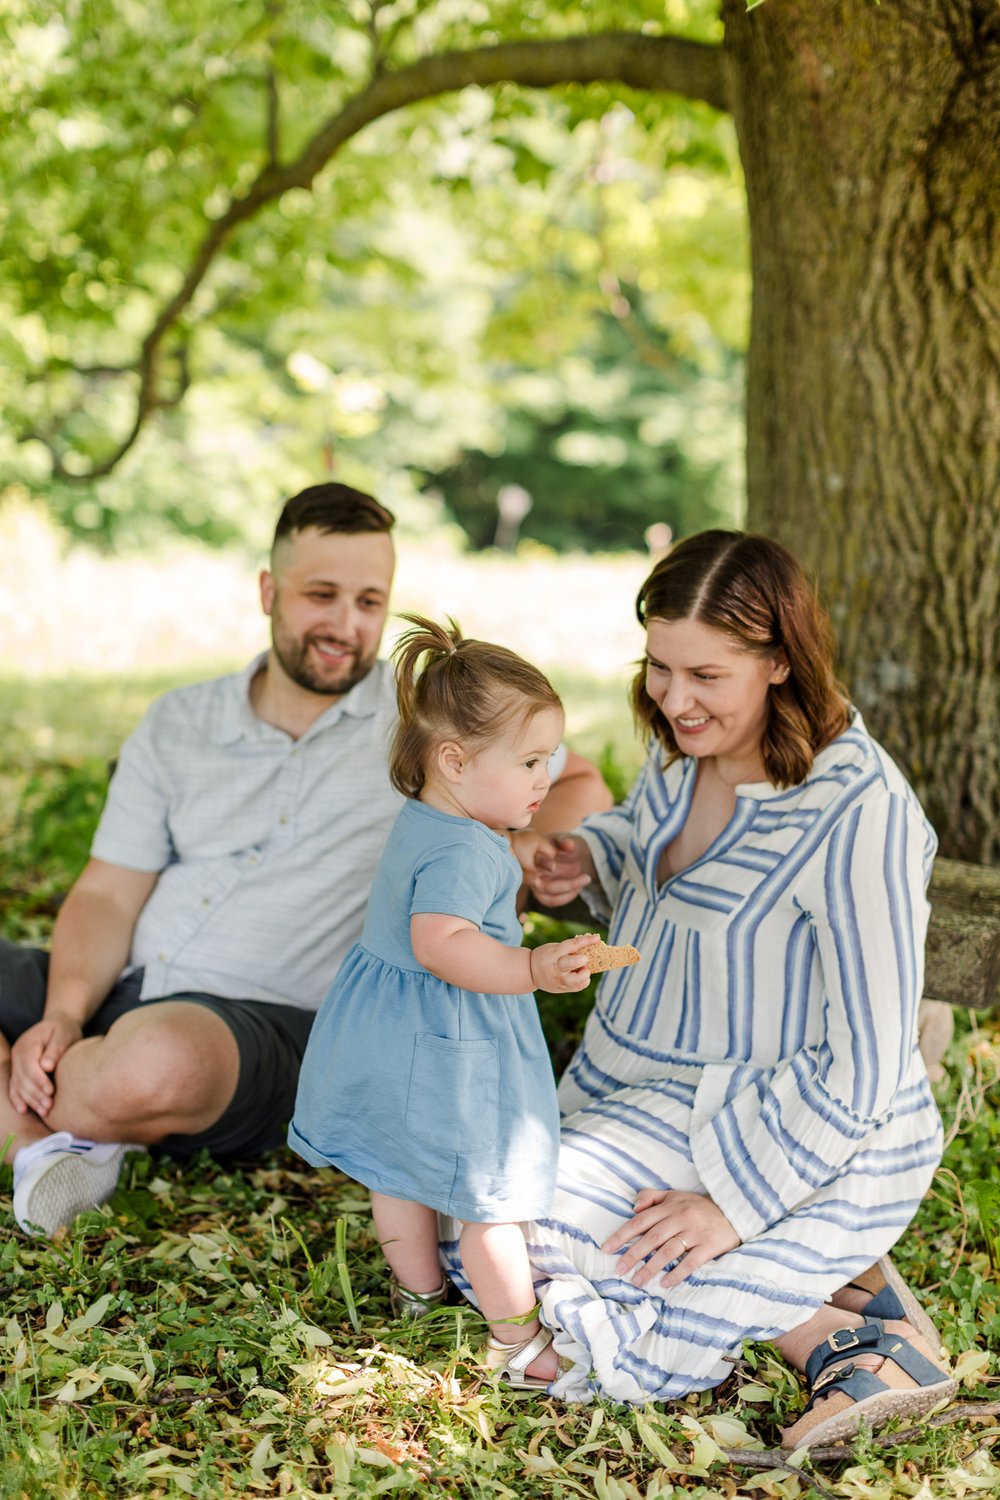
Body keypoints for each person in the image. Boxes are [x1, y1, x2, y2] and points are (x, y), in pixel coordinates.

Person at [0, 483, 612, 1239]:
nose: (346, 625)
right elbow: (108, 893)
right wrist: (61, 1014)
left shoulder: (429, 733)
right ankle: (45, 1138)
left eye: (369, 602)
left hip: (265, 1027)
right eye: (322, 595)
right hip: (128, 978)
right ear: (268, 590)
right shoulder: (180, 720)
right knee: (101, 1037)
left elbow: (573, 779)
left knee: (154, 1063)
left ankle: (69, 1112)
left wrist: (529, 844)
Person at [482, 529, 958, 1444]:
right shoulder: (683, 747)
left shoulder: (860, 815)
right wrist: (588, 861)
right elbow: (649, 855)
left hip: (788, 1112)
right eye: (660, 666)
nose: (674, 698)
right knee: (484, 1200)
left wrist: (733, 1206)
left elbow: (870, 1060)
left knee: (525, 1229)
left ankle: (848, 1338)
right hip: (642, 1085)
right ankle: (827, 1289)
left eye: (706, 675)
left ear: (780, 661)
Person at [290, 617, 599, 1385]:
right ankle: (517, 1340)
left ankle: (418, 1294)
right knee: (492, 1192)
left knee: (397, 1171)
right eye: (530, 762)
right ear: (454, 761)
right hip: (450, 1037)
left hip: (390, 1029)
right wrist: (529, 966)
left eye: (548, 760)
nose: (544, 779)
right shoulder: (465, 846)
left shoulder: (437, 819)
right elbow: (442, 943)